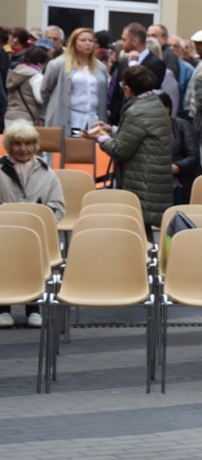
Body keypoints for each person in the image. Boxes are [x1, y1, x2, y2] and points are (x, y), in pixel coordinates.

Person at [84, 66, 172, 238]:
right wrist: (113, 130)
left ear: (127, 89)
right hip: (154, 178)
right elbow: (141, 135)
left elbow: (121, 150)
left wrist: (100, 139)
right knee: (142, 230)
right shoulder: (155, 104)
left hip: (140, 180)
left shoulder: (136, 111)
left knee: (137, 230)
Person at [0, 119, 65, 328]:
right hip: (4, 234)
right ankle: (3, 307)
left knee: (35, 261)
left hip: (36, 235)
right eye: (17, 144)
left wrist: (43, 220)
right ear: (9, 146)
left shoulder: (48, 173)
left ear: (34, 146)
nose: (23, 149)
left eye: (27, 144)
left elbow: (58, 205)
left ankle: (33, 308)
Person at [41, 27, 111, 138]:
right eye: (83, 40)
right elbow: (45, 90)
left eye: (91, 40)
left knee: (90, 152)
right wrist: (52, 110)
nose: (87, 43)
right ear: (73, 43)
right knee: (70, 149)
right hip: (71, 118)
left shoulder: (100, 67)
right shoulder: (58, 64)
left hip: (93, 120)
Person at [107, 22, 166, 125]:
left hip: (143, 120)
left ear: (135, 41)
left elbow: (145, 88)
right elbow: (117, 93)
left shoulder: (156, 63)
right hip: (122, 120)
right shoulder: (124, 62)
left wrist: (133, 65)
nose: (121, 43)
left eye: (124, 39)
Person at [158, 92, 201, 205]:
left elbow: (193, 156)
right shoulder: (147, 129)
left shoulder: (182, 125)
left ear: (166, 109)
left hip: (181, 183)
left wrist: (174, 167)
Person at [5, 45, 49, 126]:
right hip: (26, 119)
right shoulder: (36, 76)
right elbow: (40, 99)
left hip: (9, 117)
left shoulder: (15, 72)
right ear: (40, 63)